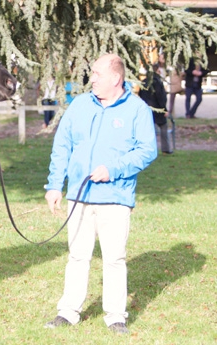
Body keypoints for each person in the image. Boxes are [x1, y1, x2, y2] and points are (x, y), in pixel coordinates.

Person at [43, 54, 158, 334]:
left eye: (97, 74)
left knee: (114, 258)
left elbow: (147, 151)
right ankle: (68, 312)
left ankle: (116, 315)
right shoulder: (80, 105)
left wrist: (113, 169)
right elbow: (62, 146)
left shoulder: (137, 110)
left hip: (116, 197)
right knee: (78, 256)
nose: (91, 78)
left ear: (115, 79)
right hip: (79, 197)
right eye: (92, 73)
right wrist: (55, 184)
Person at [139, 64, 172, 154]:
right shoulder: (157, 82)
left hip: (147, 108)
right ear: (157, 71)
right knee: (163, 128)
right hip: (158, 108)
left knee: (149, 130)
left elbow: (140, 95)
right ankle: (165, 149)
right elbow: (160, 97)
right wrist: (164, 109)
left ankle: (148, 149)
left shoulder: (144, 82)